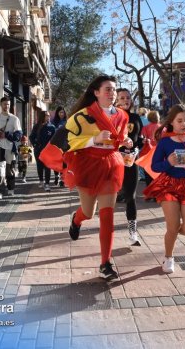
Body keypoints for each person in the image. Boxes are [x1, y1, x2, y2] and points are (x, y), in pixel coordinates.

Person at [65, 75, 133, 280]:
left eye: (114, 89)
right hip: (88, 165)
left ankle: (105, 263)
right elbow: (71, 141)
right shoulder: (82, 116)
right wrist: (94, 138)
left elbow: (117, 140)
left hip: (111, 165)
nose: (112, 93)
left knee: (107, 215)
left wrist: (125, 142)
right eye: (107, 89)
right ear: (96, 92)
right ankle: (76, 221)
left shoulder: (122, 116)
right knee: (88, 212)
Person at [143, 104, 185, 274]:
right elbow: (155, 166)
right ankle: (168, 257)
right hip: (169, 185)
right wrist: (169, 163)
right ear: (172, 123)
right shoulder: (165, 142)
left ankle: (171, 233)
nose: (184, 124)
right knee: (173, 225)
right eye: (180, 121)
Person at [115, 88, 144, 247]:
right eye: (122, 98)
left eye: (128, 97)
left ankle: (133, 233)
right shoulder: (111, 116)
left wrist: (138, 148)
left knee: (131, 196)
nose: (126, 100)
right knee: (109, 197)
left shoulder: (136, 118)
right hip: (113, 162)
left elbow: (138, 140)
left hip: (131, 161)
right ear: (116, 100)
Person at [0, 96, 22, 200]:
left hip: (10, 148)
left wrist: (6, 135)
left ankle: (11, 189)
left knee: (10, 169)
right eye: (4, 104)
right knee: (0, 170)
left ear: (10, 105)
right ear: (0, 105)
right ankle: (0, 191)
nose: (6, 106)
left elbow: (18, 135)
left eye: (8, 104)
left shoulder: (14, 119)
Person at [29, 111, 56, 192]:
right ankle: (41, 181)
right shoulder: (37, 126)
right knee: (39, 166)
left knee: (47, 166)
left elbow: (54, 139)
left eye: (49, 115)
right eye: (47, 115)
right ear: (43, 116)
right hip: (38, 150)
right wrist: (35, 145)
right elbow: (31, 137)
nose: (48, 117)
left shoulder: (52, 127)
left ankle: (47, 184)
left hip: (48, 151)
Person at [140, 110, 160, 198]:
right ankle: (157, 193)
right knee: (157, 174)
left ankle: (149, 193)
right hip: (159, 153)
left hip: (147, 152)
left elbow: (142, 139)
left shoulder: (145, 128)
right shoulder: (161, 128)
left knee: (147, 174)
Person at [51, 106, 68, 185]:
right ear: (57, 113)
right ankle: (56, 175)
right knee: (56, 161)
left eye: (63, 112)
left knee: (64, 162)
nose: (62, 114)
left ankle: (62, 179)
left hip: (65, 145)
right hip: (56, 145)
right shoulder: (54, 122)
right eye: (60, 112)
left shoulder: (67, 121)